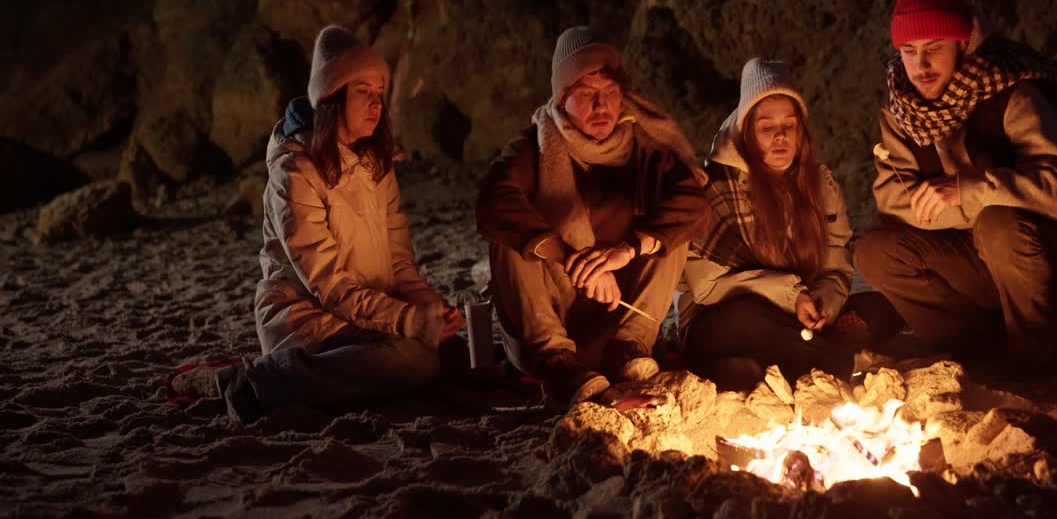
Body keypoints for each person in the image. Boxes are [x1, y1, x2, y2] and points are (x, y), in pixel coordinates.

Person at [171, 25, 461, 421]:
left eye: (380, 94)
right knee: (417, 363)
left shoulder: (378, 165)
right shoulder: (295, 172)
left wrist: (430, 308)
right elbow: (329, 286)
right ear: (332, 96)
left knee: (453, 353)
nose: (376, 104)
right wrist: (408, 321)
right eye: (363, 92)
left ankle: (302, 379)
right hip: (309, 318)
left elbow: (400, 266)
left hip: (371, 315)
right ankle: (253, 381)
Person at [854, 0, 1057, 372]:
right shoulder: (901, 108)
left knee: (997, 224)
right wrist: (960, 208)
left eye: (934, 48)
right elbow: (895, 203)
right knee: (875, 252)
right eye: (909, 52)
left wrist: (968, 191)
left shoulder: (1012, 92)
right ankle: (967, 350)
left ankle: (1034, 359)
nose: (920, 68)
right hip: (976, 258)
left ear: (962, 43)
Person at [476, 26, 709, 404]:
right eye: (586, 95)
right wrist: (570, 257)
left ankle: (630, 348)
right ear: (562, 97)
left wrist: (626, 250)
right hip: (550, 317)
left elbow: (693, 202)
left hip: (619, 314)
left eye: (610, 94)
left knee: (671, 233)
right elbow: (492, 200)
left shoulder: (645, 148)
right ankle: (557, 362)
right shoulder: (534, 147)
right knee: (509, 235)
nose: (601, 108)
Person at [679, 58, 896, 389]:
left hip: (800, 312)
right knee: (746, 320)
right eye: (767, 127)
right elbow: (708, 290)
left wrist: (825, 300)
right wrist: (790, 295)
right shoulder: (715, 190)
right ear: (746, 131)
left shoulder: (818, 183)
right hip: (733, 317)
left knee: (882, 307)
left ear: (801, 131)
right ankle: (827, 360)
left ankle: (783, 362)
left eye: (789, 126)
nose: (780, 136)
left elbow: (836, 255)